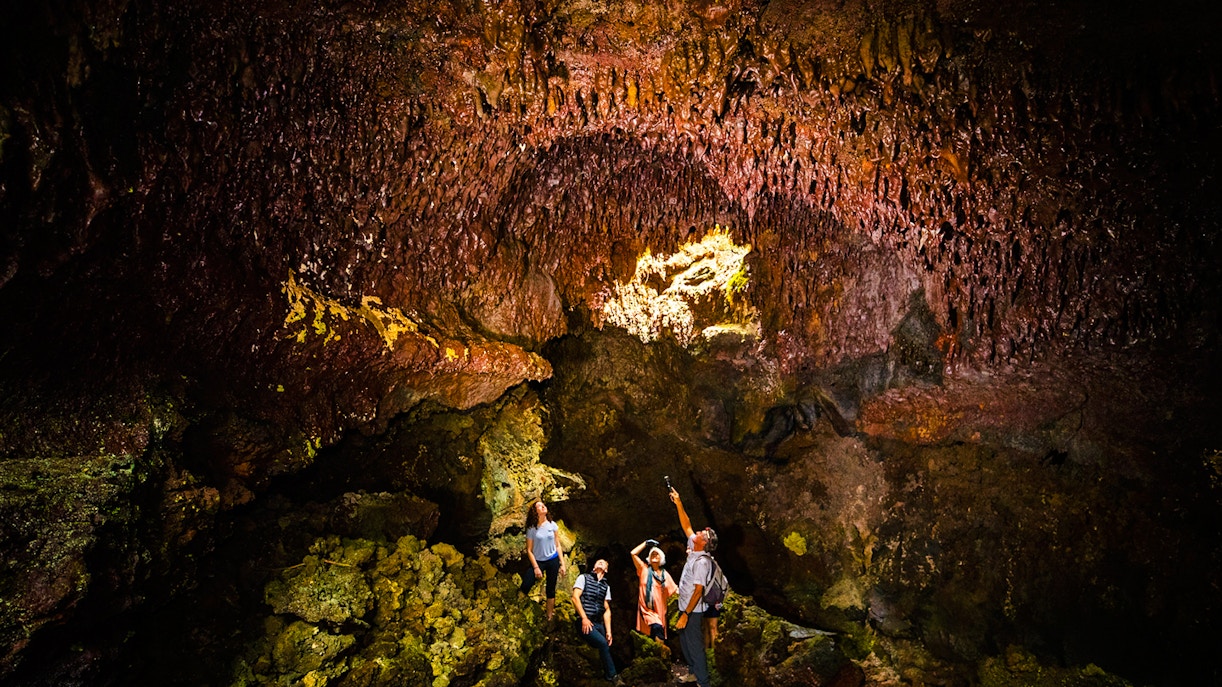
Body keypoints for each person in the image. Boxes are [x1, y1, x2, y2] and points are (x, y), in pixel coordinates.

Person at [670, 487, 718, 687]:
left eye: (702, 533)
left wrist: (686, 614)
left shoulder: (702, 562)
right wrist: (679, 503)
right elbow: (687, 525)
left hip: (693, 610)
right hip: (685, 606)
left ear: (704, 543)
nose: (697, 532)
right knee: (685, 643)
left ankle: (703, 682)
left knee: (695, 646)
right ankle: (693, 672)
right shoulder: (695, 551)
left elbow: (698, 591)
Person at [572, 558, 620, 684]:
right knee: (603, 644)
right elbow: (575, 598)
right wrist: (584, 618)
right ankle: (613, 676)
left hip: (598, 623)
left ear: (606, 569)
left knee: (606, 645)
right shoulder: (584, 578)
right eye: (598, 561)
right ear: (593, 566)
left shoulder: (606, 587)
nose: (601, 562)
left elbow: (607, 610)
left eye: (604, 562)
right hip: (584, 620)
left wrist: (609, 631)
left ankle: (602, 675)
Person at [521, 500, 567, 621]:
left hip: (553, 560)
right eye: (540, 507)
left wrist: (562, 564)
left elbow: (558, 545)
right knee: (527, 583)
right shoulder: (532, 529)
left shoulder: (552, 525)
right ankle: (518, 606)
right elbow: (529, 550)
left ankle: (549, 616)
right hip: (539, 561)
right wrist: (536, 567)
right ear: (535, 512)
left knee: (551, 589)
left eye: (543, 505)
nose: (543, 507)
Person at [631, 538, 678, 640]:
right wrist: (645, 543)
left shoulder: (665, 575)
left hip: (660, 609)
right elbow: (633, 553)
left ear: (661, 558)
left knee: (656, 631)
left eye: (657, 554)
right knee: (656, 627)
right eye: (652, 554)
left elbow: (675, 591)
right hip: (647, 609)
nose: (654, 556)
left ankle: (660, 653)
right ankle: (661, 652)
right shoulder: (643, 569)